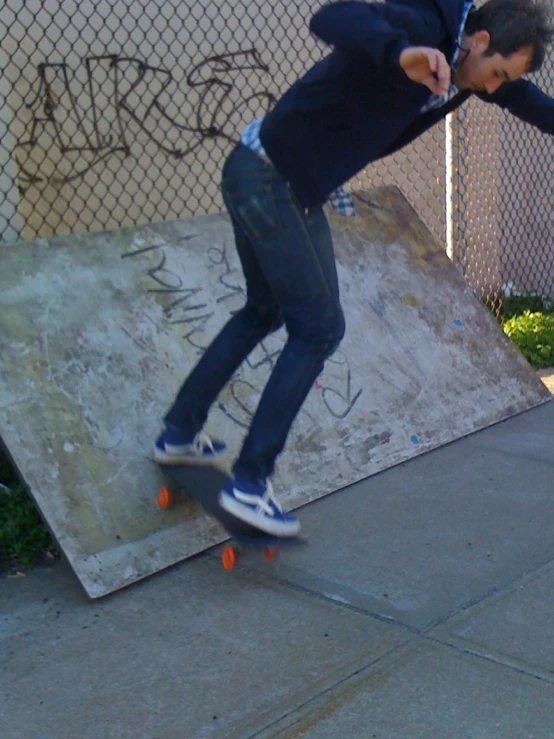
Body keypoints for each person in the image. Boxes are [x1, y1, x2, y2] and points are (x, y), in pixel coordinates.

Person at [153, 0, 554, 537]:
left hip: (276, 179)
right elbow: (332, 17)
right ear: (479, 42)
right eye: (498, 73)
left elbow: (527, 101)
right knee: (319, 329)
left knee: (264, 310)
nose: (494, 89)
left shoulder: (468, 68)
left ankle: (178, 432)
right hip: (271, 180)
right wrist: (400, 52)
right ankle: (250, 484)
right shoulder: (421, 26)